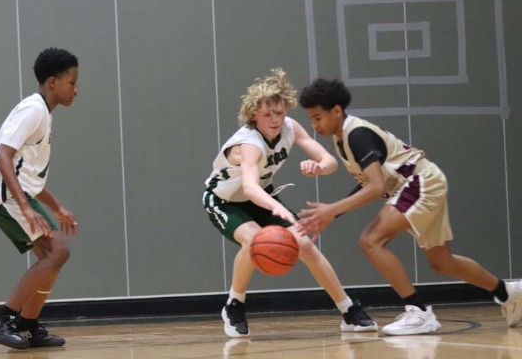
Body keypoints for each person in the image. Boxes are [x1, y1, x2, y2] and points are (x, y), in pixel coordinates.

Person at [298, 77, 522, 335]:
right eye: (311, 119)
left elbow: (375, 187)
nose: (314, 125)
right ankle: (509, 292)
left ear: (336, 111)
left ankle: (418, 312)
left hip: (419, 182)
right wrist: (331, 214)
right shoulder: (343, 138)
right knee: (442, 262)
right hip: (420, 183)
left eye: (317, 117)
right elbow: (371, 183)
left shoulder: (357, 135)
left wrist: (332, 210)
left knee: (371, 241)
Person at [202, 68, 377, 338]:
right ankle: (234, 305)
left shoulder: (290, 128)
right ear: (254, 114)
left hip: (262, 195)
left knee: (305, 244)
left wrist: (319, 167)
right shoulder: (249, 143)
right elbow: (249, 187)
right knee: (254, 240)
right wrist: (277, 206)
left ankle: (348, 309)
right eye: (267, 114)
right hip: (224, 201)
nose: (275, 119)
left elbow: (330, 161)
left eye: (279, 112)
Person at [0, 47, 79, 350]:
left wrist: (56, 207)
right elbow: (2, 156)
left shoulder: (43, 113)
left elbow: (28, 176)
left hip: (12, 191)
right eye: (72, 82)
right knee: (56, 252)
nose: (76, 89)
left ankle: (27, 325)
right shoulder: (32, 110)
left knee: (54, 254)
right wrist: (25, 206)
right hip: (1, 192)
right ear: (52, 82)